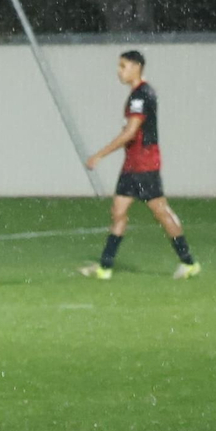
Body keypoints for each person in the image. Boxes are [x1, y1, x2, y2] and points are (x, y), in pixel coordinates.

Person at [82, 50, 199, 279]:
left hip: (144, 164)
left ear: (137, 66)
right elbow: (134, 131)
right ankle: (105, 267)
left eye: (123, 66)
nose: (119, 71)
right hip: (133, 164)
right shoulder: (139, 94)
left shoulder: (140, 95)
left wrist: (99, 155)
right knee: (118, 212)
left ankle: (189, 262)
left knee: (161, 212)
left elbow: (131, 132)